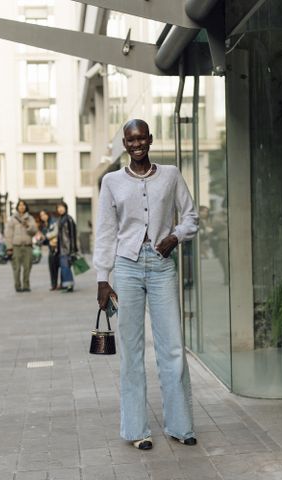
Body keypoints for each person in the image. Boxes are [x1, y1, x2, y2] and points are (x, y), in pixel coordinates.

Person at [94, 119, 199, 450]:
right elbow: (106, 231)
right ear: (125, 144)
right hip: (126, 267)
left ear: (150, 140)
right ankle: (136, 430)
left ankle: (180, 426)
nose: (137, 144)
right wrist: (102, 278)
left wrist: (175, 236)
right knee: (131, 351)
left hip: (161, 264)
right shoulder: (111, 181)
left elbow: (191, 216)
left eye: (141, 138)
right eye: (130, 140)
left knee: (171, 347)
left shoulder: (170, 175)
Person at [5, 199, 37, 292]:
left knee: (27, 267)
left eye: (23, 205)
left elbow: (34, 231)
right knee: (16, 268)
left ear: (26, 207)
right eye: (20, 205)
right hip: (16, 247)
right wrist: (9, 248)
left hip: (28, 246)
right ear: (17, 207)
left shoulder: (30, 218)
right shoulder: (12, 219)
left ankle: (26, 285)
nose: (22, 207)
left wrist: (28, 226)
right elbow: (8, 234)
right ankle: (17, 286)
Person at [56, 201, 77, 293]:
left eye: (62, 207)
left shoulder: (69, 219)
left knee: (66, 267)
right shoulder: (60, 219)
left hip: (67, 247)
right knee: (64, 266)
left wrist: (73, 249)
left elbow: (73, 235)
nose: (60, 209)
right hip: (61, 247)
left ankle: (69, 285)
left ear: (65, 208)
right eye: (58, 207)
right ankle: (65, 284)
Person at [39, 210, 59, 290]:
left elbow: (55, 232)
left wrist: (46, 236)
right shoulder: (44, 225)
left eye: (44, 214)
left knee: (56, 266)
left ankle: (60, 284)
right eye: (41, 215)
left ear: (48, 214)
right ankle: (54, 285)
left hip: (57, 247)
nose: (43, 216)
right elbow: (45, 239)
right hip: (51, 247)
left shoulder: (53, 221)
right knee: (52, 266)